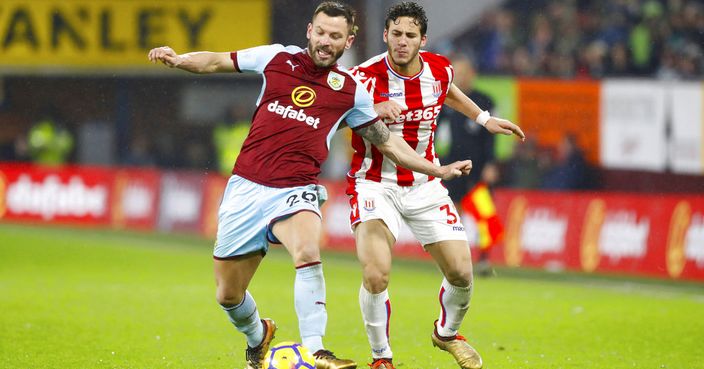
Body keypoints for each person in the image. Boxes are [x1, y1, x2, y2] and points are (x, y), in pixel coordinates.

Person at [147, 2, 472, 369]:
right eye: (320, 32)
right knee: (228, 294)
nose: (325, 41)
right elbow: (216, 61)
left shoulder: (351, 91)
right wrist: (178, 60)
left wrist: (437, 169)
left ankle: (315, 349)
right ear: (309, 30)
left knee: (307, 251)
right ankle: (258, 335)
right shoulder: (276, 59)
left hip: (296, 189)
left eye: (335, 36)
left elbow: (390, 145)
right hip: (246, 188)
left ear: (348, 41)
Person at [346, 3, 524, 369]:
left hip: (424, 186)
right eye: (396, 34)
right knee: (376, 272)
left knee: (462, 272)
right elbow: (376, 139)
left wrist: (484, 118)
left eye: (410, 35)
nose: (402, 41)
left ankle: (446, 334)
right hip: (375, 184)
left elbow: (449, 90)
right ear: (385, 35)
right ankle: (382, 359)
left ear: (422, 40)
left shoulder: (439, 68)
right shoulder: (363, 79)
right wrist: (371, 109)